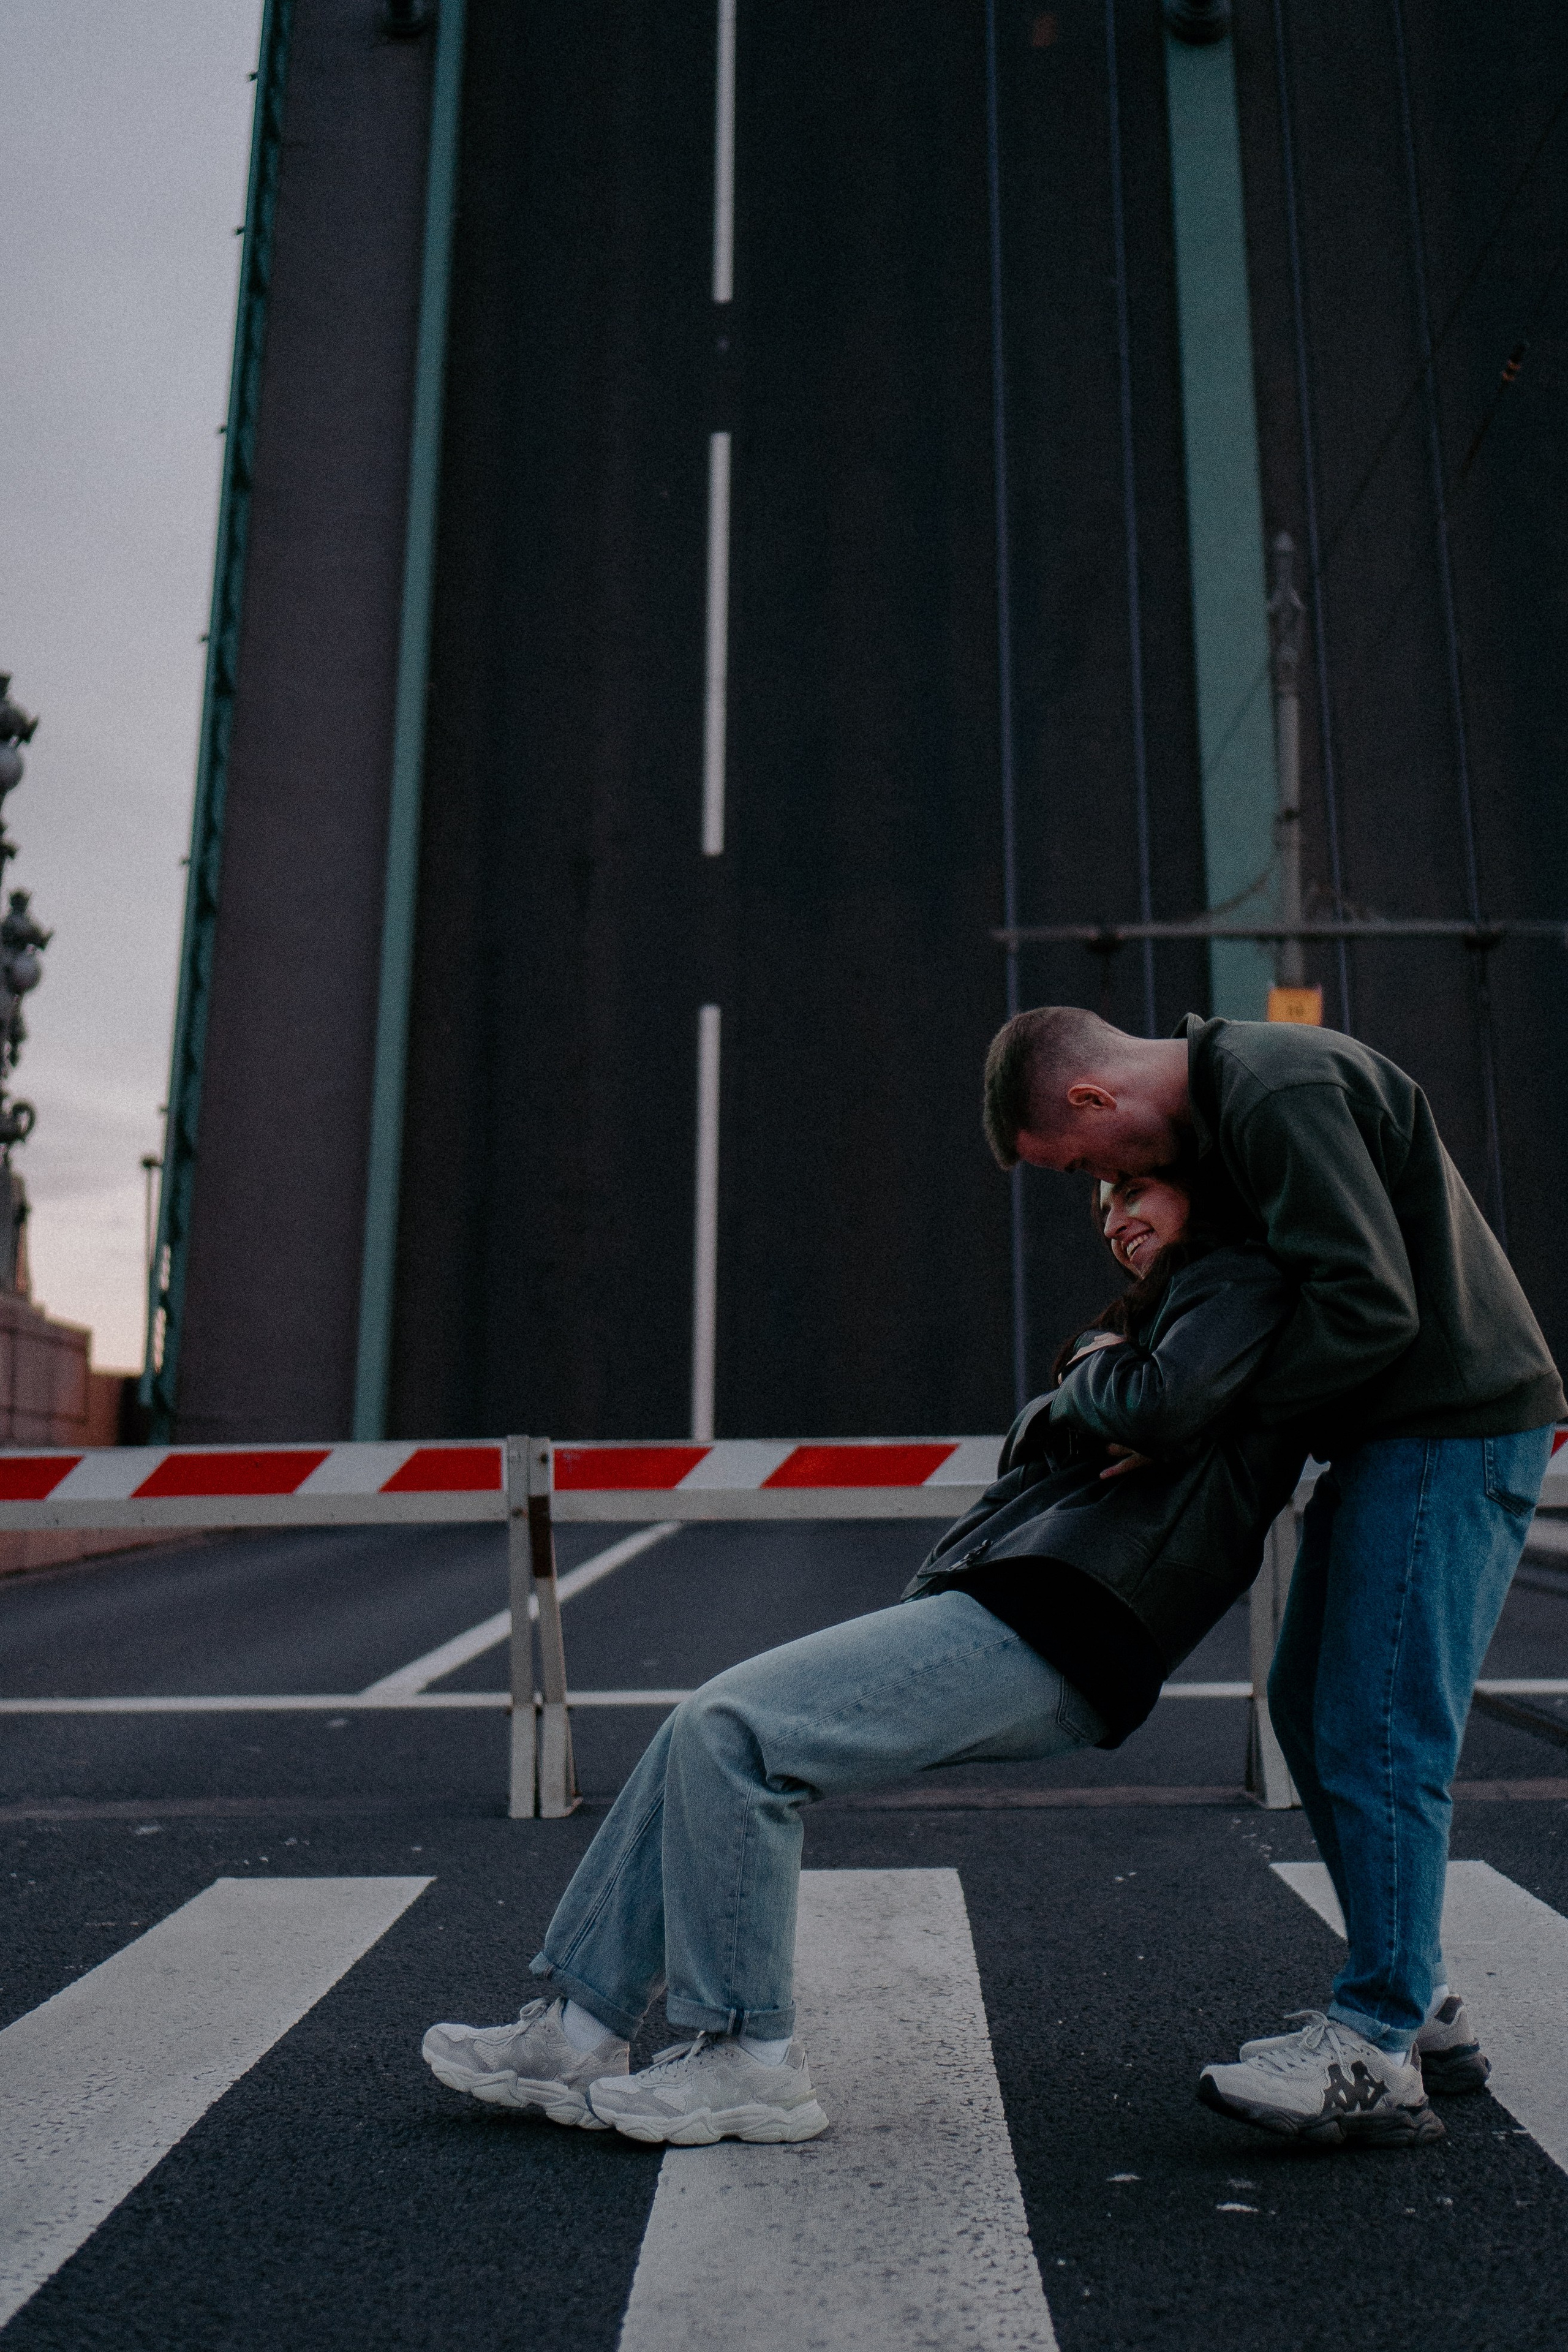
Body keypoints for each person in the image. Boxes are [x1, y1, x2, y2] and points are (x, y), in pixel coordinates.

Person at [422, 1166, 1307, 2147]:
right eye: (1100, 1208)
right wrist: (1096, 1377)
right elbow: (1040, 1438)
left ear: (1203, 1187)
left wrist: (1099, 1372)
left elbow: (1148, 1409)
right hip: (1028, 1600)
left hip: (1067, 1616)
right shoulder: (1166, 1318)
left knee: (737, 1733)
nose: (1114, 1220)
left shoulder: (1234, 1282)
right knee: (697, 1732)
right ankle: (580, 2033)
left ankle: (751, 2059)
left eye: (1134, 1191)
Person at [984, 1003, 1564, 2147]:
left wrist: (1198, 1426)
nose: (1097, 1190)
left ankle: (1378, 2044)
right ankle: (1417, 1999)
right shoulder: (1242, 1103)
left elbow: (1370, 1304)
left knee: (1378, 1727)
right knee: (1311, 1707)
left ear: (1094, 1100)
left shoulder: (1274, 1088)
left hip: (1446, 1430)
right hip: (1398, 1435)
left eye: (1084, 1164)